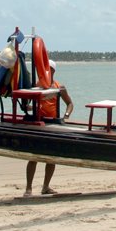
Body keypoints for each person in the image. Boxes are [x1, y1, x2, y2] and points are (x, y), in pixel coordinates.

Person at [25, 60, 74, 196]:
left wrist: (66, 116)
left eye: (49, 69)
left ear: (53, 71)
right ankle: (28, 188)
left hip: (53, 124)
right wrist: (29, 107)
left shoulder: (60, 87)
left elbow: (70, 103)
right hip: (39, 124)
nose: (45, 72)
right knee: (33, 156)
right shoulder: (37, 86)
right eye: (44, 69)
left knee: (52, 158)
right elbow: (27, 104)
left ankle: (45, 187)